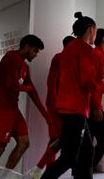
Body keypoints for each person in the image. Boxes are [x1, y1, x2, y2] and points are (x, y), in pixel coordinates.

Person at [41, 12, 102, 179]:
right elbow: (86, 81)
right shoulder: (84, 49)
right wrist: (101, 88)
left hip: (69, 108)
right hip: (75, 109)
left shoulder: (69, 48)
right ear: (90, 29)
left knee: (86, 150)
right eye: (95, 31)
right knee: (68, 157)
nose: (96, 35)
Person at [0, 34, 51, 179]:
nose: (36, 54)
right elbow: (10, 85)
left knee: (24, 143)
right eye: (35, 50)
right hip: (0, 108)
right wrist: (27, 88)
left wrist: (47, 116)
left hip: (13, 109)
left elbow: (32, 92)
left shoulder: (24, 66)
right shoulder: (10, 57)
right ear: (26, 46)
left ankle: (3, 176)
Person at [27, 35, 75, 179]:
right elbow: (51, 82)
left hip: (66, 107)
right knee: (59, 139)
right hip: (56, 106)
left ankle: (45, 173)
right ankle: (39, 169)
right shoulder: (59, 58)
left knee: (54, 139)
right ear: (68, 45)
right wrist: (55, 106)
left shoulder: (70, 62)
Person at [88, 28, 104, 171]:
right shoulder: (96, 54)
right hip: (93, 106)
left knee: (90, 141)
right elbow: (91, 84)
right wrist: (97, 108)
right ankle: (86, 168)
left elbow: (96, 83)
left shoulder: (99, 55)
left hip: (92, 105)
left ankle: (83, 170)